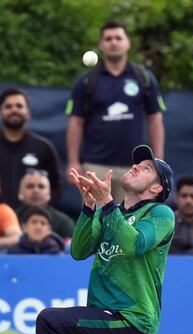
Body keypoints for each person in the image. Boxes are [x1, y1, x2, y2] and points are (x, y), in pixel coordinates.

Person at [18, 145, 175, 334]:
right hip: (105, 322)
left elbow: (134, 244)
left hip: (131, 326)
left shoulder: (160, 213)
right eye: (137, 163)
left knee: (50, 321)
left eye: (147, 167)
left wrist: (106, 205)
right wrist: (90, 207)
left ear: (156, 187)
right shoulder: (110, 212)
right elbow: (79, 250)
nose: (137, 166)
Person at [65, 21, 166, 203]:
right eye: (108, 38)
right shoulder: (87, 81)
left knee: (130, 226)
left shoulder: (144, 78)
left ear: (128, 43)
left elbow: (155, 120)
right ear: (101, 45)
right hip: (96, 166)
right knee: (96, 226)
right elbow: (76, 122)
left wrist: (157, 162)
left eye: (118, 38)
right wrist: (73, 162)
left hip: (135, 168)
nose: (113, 42)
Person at [0, 88, 62, 209]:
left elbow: (56, 186)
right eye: (8, 106)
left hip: (32, 221)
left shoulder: (43, 147)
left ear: (28, 112)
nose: (14, 110)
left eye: (19, 106)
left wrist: (42, 212)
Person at [14, 169, 75, 240]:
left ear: (49, 193)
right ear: (20, 192)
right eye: (30, 186)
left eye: (41, 186)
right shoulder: (11, 219)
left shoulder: (64, 223)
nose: (35, 191)